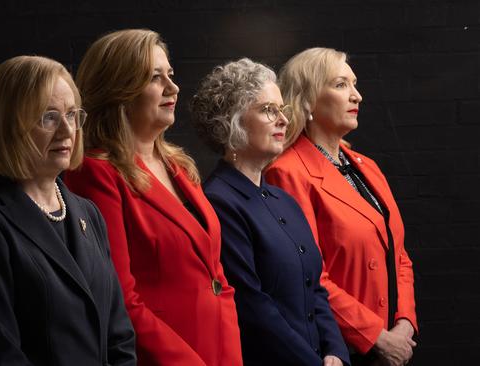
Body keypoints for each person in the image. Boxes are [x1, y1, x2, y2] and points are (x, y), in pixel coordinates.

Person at [65, 29, 242, 366]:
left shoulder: (178, 165)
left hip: (220, 349)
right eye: (154, 77)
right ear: (119, 89)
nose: (172, 88)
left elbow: (216, 276)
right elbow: (119, 298)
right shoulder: (95, 172)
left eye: (170, 75)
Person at [0, 55, 136, 366]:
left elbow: (120, 336)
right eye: (48, 117)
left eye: (72, 115)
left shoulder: (88, 213)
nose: (66, 131)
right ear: (9, 126)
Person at [190, 58, 349, 366]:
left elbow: (315, 289)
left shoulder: (284, 200)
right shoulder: (218, 201)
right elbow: (252, 307)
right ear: (232, 122)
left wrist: (336, 353)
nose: (283, 121)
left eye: (281, 110)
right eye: (267, 110)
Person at [265, 48, 418, 366]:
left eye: (355, 84)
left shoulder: (367, 166)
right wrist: (375, 335)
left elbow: (398, 254)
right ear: (307, 100)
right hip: (341, 349)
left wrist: (404, 323)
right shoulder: (287, 172)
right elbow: (308, 277)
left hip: (394, 341)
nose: (357, 96)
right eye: (340, 85)